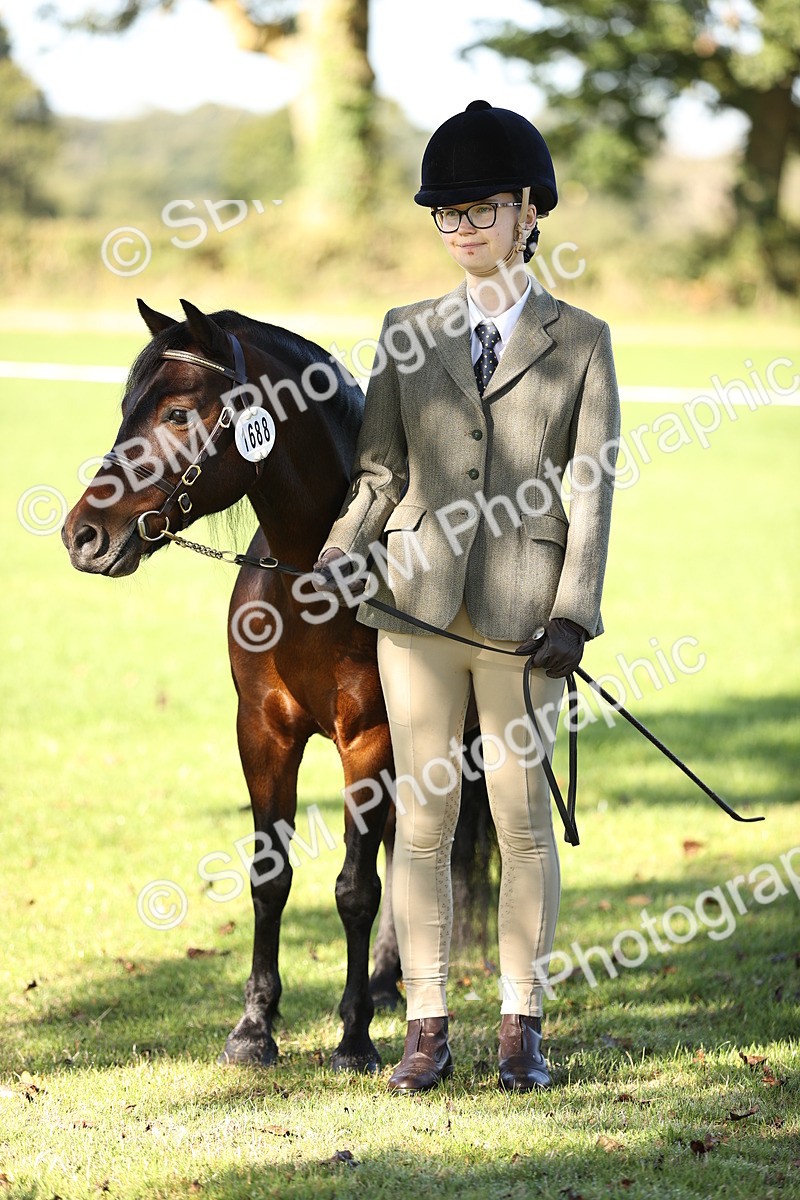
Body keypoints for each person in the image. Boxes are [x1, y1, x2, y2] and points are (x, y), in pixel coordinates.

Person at [313, 100, 620, 1093]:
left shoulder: (580, 340)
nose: (461, 228)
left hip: (526, 618)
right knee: (424, 822)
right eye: (444, 214)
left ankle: (520, 1020)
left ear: (528, 210)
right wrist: (337, 549)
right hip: (412, 612)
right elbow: (378, 478)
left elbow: (589, 485)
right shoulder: (405, 333)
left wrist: (574, 609)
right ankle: (425, 1019)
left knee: (521, 817)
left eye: (479, 209)